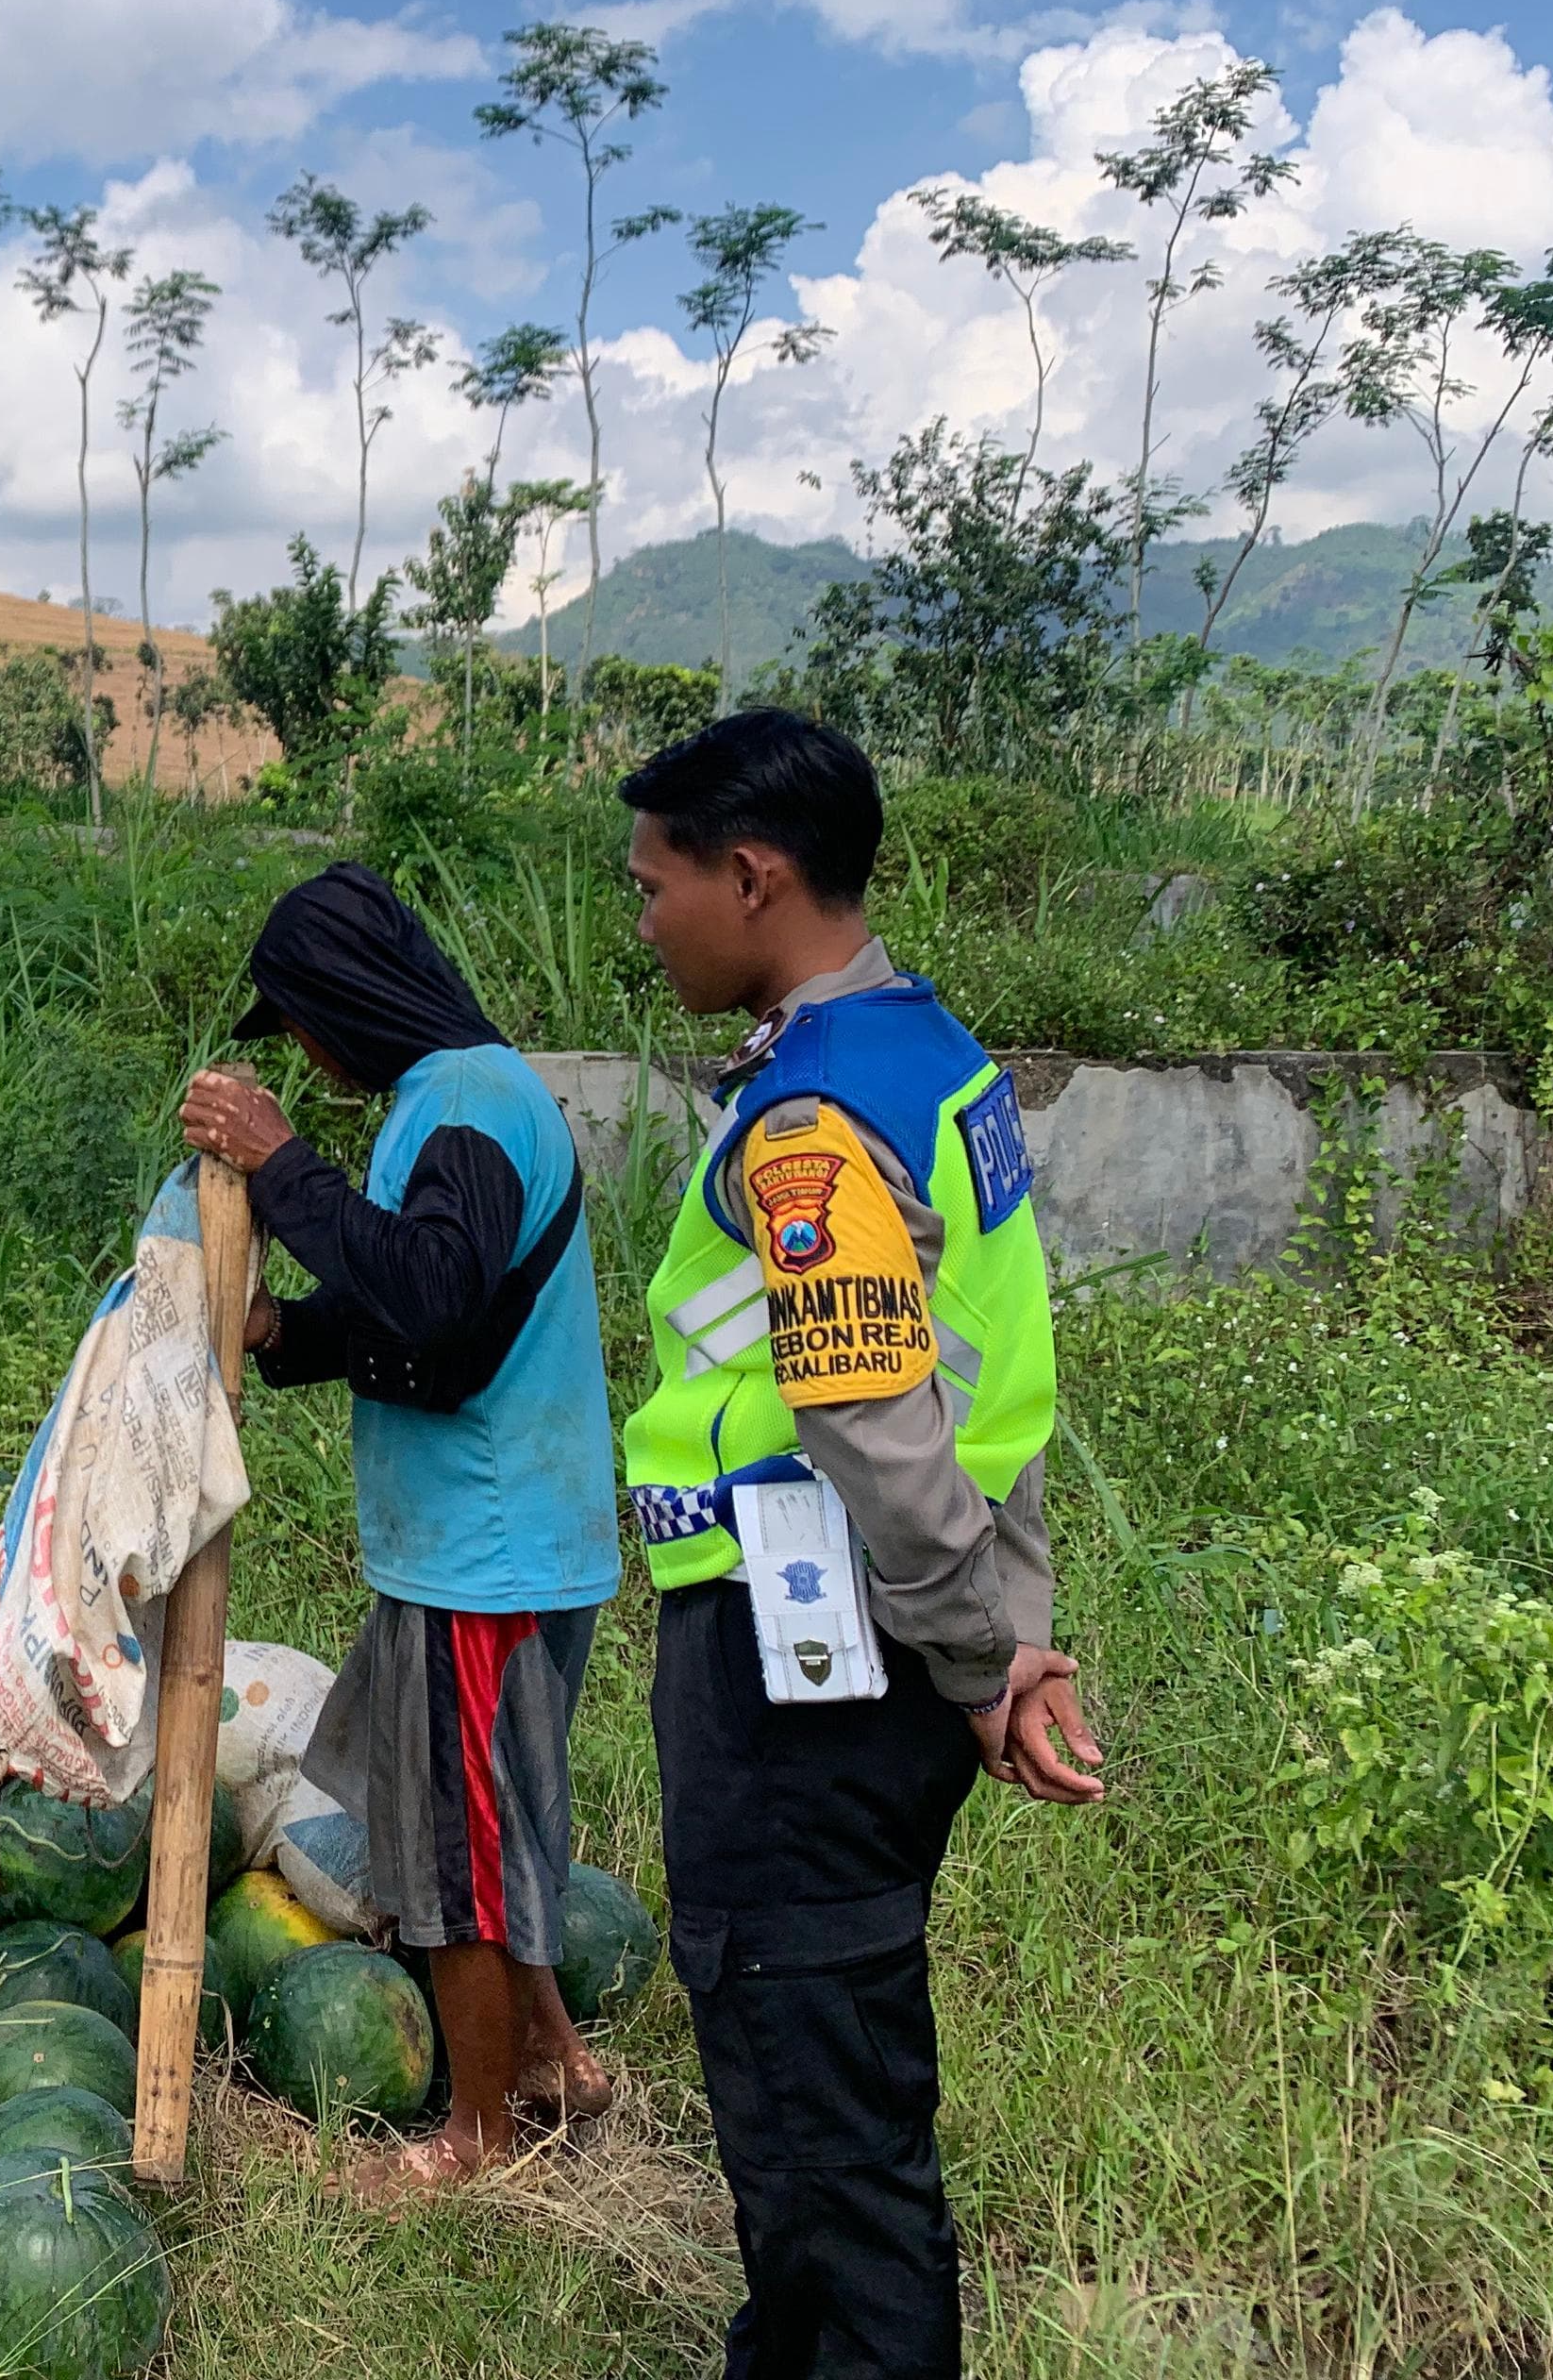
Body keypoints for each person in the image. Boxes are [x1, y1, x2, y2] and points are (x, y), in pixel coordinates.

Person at [614, 709, 1103, 2380]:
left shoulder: (814, 1121)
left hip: (810, 1675)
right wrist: (1002, 1638)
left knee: (820, 2111)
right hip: (908, 1645)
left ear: (754, 878)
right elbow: (1000, 1383)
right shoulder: (936, 1054)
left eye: (654, 882)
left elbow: (883, 1415)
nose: (645, 918)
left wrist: (975, 1650)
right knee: (829, 2071)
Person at [177, 862, 623, 2187]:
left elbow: (428, 1293)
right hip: (485, 1541)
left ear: (341, 1004)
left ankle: (477, 2139)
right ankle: (553, 2056)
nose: (306, 1056)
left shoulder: (469, 1104)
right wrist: (288, 1330)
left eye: (304, 1026)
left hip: (488, 1553)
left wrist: (281, 1165)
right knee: (491, 1820)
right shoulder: (455, 1099)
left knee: (461, 1854)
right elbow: (440, 1315)